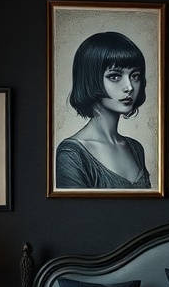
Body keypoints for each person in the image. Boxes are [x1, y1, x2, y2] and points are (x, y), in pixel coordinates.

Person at [55, 31, 151, 189]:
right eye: (115, 76)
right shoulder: (72, 154)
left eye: (135, 76)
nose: (129, 87)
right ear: (90, 80)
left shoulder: (135, 147)